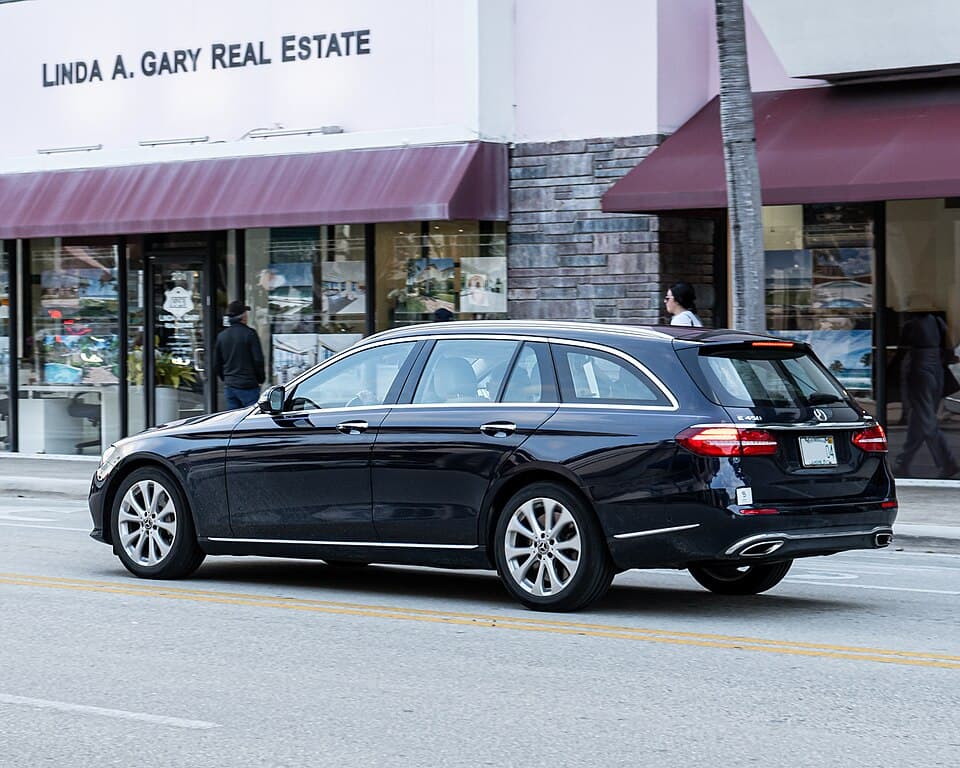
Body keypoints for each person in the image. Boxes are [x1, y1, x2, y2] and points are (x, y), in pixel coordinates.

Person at [893, 309, 959, 479]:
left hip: (919, 368)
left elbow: (901, 351)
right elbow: (949, 349)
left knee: (925, 419)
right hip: (936, 369)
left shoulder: (911, 325)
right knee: (919, 420)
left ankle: (948, 462)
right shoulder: (938, 322)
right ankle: (903, 462)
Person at [214, 300, 266, 409]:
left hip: (230, 385)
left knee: (233, 420)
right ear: (243, 316)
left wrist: (226, 378)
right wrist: (260, 379)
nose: (247, 316)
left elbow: (216, 363)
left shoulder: (222, 336)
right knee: (250, 419)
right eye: (246, 313)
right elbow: (258, 360)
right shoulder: (250, 334)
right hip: (249, 385)